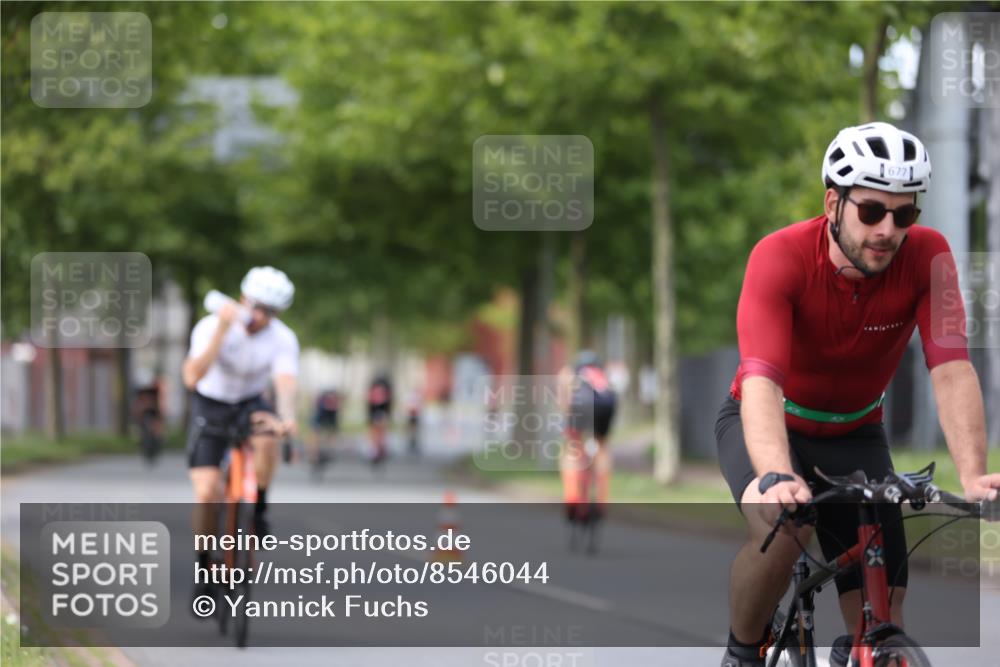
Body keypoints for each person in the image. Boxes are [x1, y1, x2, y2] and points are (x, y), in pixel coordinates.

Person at [716, 122, 1000, 667]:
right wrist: (776, 473)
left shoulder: (929, 257)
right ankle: (742, 652)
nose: (888, 230)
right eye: (871, 212)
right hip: (769, 420)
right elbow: (762, 380)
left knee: (882, 611)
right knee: (782, 530)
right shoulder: (780, 257)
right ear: (833, 203)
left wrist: (973, 474)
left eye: (904, 214)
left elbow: (951, 368)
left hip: (856, 431)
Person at [182, 266, 299, 587]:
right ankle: (205, 566)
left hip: (249, 402)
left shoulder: (283, 338)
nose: (259, 317)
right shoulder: (210, 326)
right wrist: (221, 331)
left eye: (269, 312)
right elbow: (192, 377)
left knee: (269, 436)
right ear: (242, 299)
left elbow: (286, 382)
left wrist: (287, 417)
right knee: (208, 492)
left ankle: (259, 506)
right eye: (255, 306)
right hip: (211, 402)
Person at [560, 350, 617, 526]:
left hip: (580, 405)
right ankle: (601, 499)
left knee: (572, 447)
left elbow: (565, 402)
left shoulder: (570, 373)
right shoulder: (603, 374)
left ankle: (573, 498)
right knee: (602, 447)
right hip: (605, 406)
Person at [367, 372, 393, 465]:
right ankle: (379, 450)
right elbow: (388, 404)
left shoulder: (373, 390)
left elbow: (370, 404)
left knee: (376, 434)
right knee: (380, 434)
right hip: (382, 414)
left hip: (375, 414)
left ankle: (376, 451)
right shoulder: (385, 390)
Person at [309, 388, 340, 466]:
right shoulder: (320, 407)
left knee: (330, 433)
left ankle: (325, 451)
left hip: (329, 413)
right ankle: (315, 456)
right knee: (315, 433)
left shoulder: (333, 406)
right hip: (320, 413)